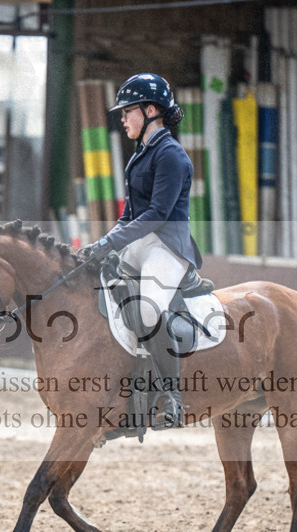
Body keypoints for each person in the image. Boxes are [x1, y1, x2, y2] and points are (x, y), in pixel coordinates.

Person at [79, 73, 203, 428]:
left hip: (167, 246)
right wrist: (99, 246)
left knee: (148, 312)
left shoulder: (171, 156)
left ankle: (171, 396)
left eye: (127, 111)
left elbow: (155, 216)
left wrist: (110, 243)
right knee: (96, 285)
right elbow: (129, 216)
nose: (122, 119)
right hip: (140, 243)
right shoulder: (140, 155)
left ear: (150, 111)